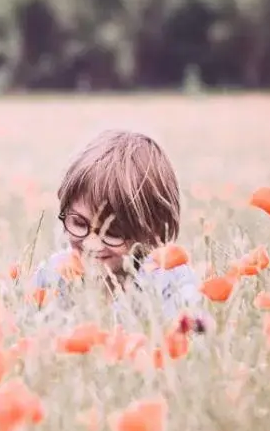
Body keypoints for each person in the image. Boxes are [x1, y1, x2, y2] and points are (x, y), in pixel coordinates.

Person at [30, 129, 204, 327]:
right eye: (79, 223)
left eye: (111, 231)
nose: (91, 243)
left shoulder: (172, 284)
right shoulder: (54, 275)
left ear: (153, 229)